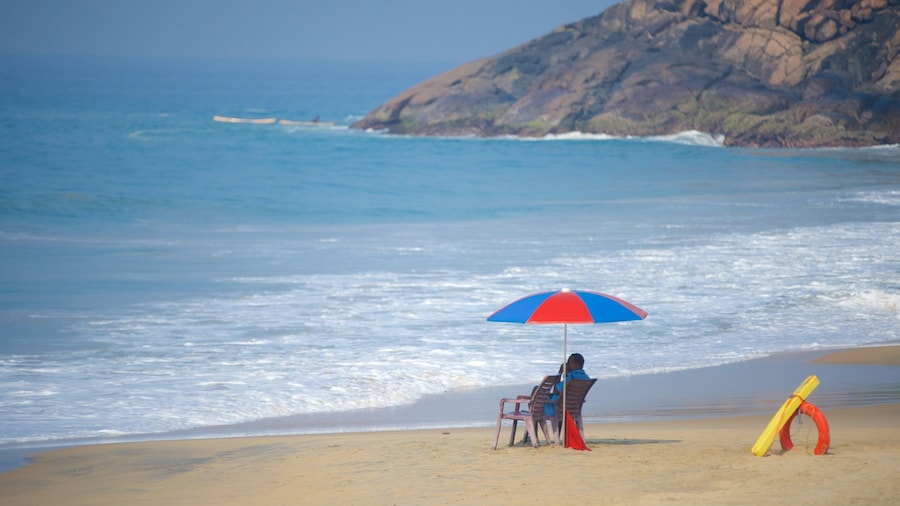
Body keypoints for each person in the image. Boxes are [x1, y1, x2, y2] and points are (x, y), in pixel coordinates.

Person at [544, 353, 590, 418]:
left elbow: (556, 391)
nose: (567, 364)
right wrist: (567, 374)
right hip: (574, 409)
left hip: (558, 409)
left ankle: (536, 427)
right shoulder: (586, 378)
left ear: (576, 365)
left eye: (569, 362)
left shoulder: (571, 377)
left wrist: (560, 372)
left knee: (536, 404)